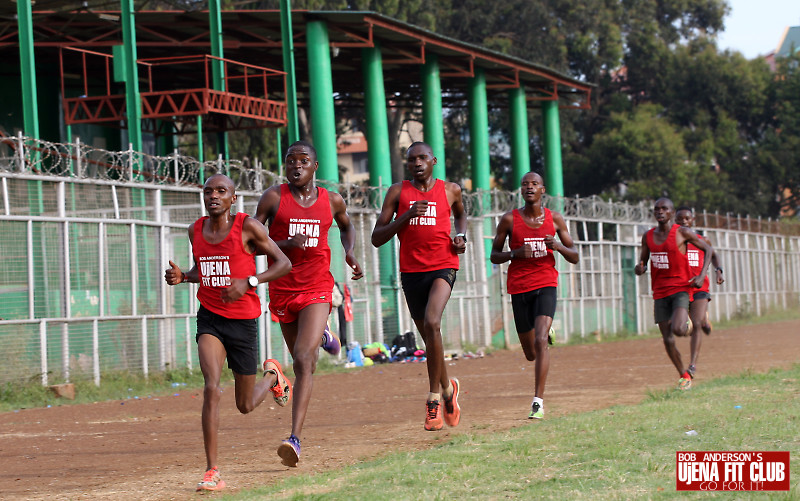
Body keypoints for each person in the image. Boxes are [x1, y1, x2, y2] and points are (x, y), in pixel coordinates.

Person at [164, 173, 292, 491]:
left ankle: (273, 376)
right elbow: (204, 270)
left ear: (233, 198)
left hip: (242, 322)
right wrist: (185, 276)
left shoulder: (248, 226)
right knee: (211, 387)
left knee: (245, 405)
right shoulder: (195, 230)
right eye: (208, 191)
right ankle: (212, 471)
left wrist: (249, 282)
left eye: (221, 191)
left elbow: (283, 263)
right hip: (210, 319)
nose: (214, 196)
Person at [254, 140, 364, 467]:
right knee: (308, 362)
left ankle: (294, 439)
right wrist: (285, 243)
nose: (296, 166)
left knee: (303, 360)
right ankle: (326, 337)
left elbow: (347, 227)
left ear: (315, 166)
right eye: (290, 161)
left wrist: (349, 251)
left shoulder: (332, 200)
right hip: (283, 287)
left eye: (303, 161)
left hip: (317, 284)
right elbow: (252, 242)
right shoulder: (274, 198)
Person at [371, 141, 466, 431]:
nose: (417, 163)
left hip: (444, 265)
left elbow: (461, 215)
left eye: (423, 157)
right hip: (411, 272)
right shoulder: (398, 193)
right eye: (412, 159)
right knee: (429, 335)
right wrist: (406, 216)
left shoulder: (451, 190)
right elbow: (377, 237)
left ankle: (433, 399)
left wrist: (461, 236)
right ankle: (449, 390)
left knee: (433, 321)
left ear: (433, 160)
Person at [490, 171, 579, 420]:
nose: (529, 187)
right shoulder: (509, 220)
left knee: (541, 342)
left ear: (543, 190)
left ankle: (538, 402)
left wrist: (558, 246)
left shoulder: (555, 219)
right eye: (525, 184)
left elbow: (575, 256)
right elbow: (494, 255)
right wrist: (515, 253)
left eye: (534, 184)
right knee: (530, 353)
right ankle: (544, 331)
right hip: (519, 287)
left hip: (546, 282)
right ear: (521, 190)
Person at [634, 198, 712, 390]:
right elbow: (643, 261)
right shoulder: (648, 236)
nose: (660, 212)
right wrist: (639, 268)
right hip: (659, 292)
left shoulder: (682, 233)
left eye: (664, 209)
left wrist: (702, 275)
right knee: (667, 338)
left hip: (680, 289)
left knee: (678, 329)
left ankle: (693, 323)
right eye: (657, 209)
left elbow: (708, 249)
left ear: (671, 213)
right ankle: (683, 375)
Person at [675, 206, 725, 379]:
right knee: (682, 325)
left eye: (687, 219)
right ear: (675, 221)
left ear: (692, 220)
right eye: (680, 219)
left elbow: (714, 255)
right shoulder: (673, 242)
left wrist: (719, 270)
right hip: (680, 288)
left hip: (699, 287)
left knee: (695, 323)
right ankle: (704, 319)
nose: (683, 222)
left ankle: (693, 364)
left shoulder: (702, 240)